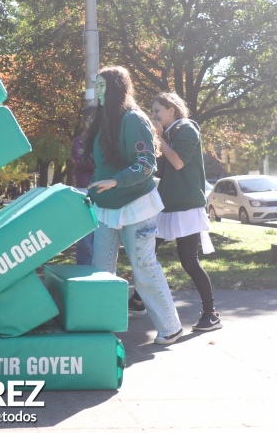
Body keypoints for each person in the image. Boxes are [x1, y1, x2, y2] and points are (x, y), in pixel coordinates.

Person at [86, 66, 183, 345]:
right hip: (107, 206)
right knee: (101, 270)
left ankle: (170, 327)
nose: (98, 91)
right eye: (97, 85)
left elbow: (145, 165)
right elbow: (101, 164)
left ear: (117, 88)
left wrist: (115, 182)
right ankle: (100, 329)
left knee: (143, 268)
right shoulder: (103, 121)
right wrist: (97, 187)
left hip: (138, 206)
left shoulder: (133, 119)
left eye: (103, 86)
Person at [129, 92, 221, 331]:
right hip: (167, 205)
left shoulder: (187, 128)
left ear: (172, 109)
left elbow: (179, 162)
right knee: (147, 253)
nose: (154, 115)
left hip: (186, 206)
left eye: (158, 110)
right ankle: (138, 301)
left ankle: (211, 314)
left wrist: (159, 140)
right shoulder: (169, 133)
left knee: (189, 262)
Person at [71, 105, 96, 265]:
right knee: (85, 236)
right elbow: (80, 162)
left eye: (94, 119)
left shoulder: (106, 141)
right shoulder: (78, 142)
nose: (91, 122)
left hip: (104, 191)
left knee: (103, 235)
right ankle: (84, 269)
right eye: (88, 119)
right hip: (84, 191)